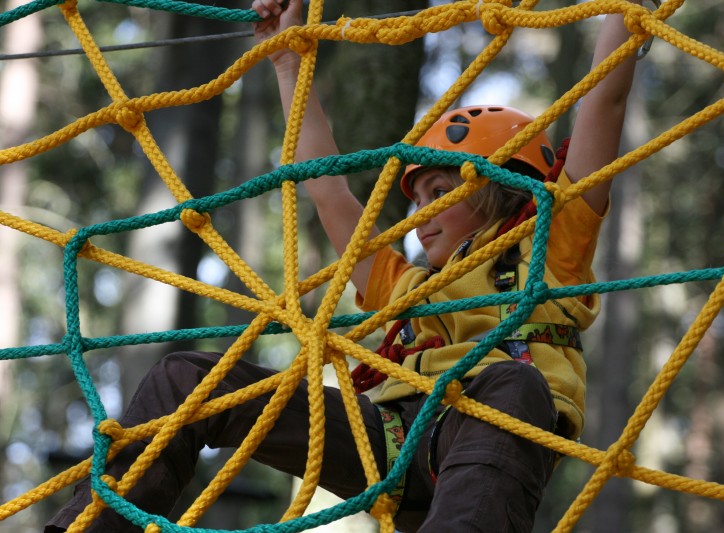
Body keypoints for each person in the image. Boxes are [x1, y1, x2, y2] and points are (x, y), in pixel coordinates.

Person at [46, 0, 642, 531]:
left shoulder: (551, 245)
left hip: (486, 440)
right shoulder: (402, 286)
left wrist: (624, 10)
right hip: (384, 440)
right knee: (187, 375)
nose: (421, 215)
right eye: (414, 198)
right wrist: (287, 63)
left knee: (513, 380)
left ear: (504, 193)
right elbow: (328, 191)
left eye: (440, 192)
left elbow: (603, 104)